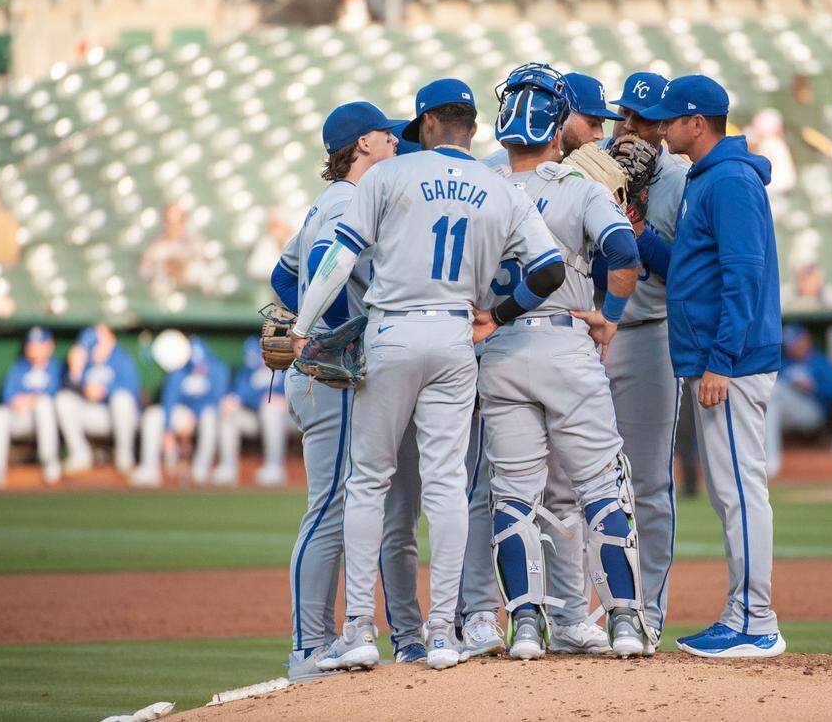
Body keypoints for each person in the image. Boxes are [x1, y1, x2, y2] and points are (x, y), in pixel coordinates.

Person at [290, 79, 564, 671]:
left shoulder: (388, 177)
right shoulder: (499, 187)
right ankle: (444, 633)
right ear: (470, 125)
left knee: (369, 483)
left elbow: (338, 256)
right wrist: (500, 314)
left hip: (392, 330)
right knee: (446, 486)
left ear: (429, 124)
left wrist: (303, 324)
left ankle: (361, 628)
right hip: (455, 333)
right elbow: (548, 269)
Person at [472, 63, 647, 659]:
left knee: (515, 495)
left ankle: (524, 626)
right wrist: (611, 314)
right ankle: (623, 620)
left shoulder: (481, 189)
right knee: (602, 485)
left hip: (496, 351)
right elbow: (624, 249)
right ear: (556, 129)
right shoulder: (578, 187)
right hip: (565, 340)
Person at [270, 101, 430, 678]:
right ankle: (310, 646)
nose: (394, 143)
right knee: (331, 510)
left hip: (326, 374)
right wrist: (328, 336)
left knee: (352, 506)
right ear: (362, 145)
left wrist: (302, 319)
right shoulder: (349, 201)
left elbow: (284, 274)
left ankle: (338, 640)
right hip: (329, 376)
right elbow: (323, 270)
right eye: (386, 136)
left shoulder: (328, 202)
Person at [636, 74, 786, 658]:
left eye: (671, 121)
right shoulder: (712, 177)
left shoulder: (728, 181)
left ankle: (756, 620)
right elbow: (693, 267)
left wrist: (720, 360)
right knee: (731, 491)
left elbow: (743, 275)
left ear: (698, 124)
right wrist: (643, 238)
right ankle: (745, 613)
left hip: (734, 362)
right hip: (719, 358)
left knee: (739, 490)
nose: (663, 129)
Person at [598, 70, 689, 648]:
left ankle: (648, 610)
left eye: (647, 120)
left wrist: (638, 234)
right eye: (626, 116)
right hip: (591, 333)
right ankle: (589, 612)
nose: (633, 128)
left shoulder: (681, 178)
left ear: (666, 127)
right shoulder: (592, 169)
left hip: (652, 332)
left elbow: (689, 266)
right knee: (583, 483)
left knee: (651, 484)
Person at [130, 336, 229, 488]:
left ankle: (200, 470)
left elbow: (217, 400)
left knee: (210, 415)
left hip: (204, 415)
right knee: (152, 415)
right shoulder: (179, 370)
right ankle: (150, 469)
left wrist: (194, 414)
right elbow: (169, 400)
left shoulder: (217, 369)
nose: (198, 368)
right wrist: (168, 430)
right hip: (183, 414)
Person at [482, 71, 623, 169]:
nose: (600, 135)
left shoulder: (595, 165)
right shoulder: (495, 165)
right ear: (563, 115)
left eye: (601, 124)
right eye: (592, 123)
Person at [55, 324, 140, 474]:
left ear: (111, 340)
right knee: (63, 400)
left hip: (120, 417)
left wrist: (104, 391)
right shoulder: (83, 359)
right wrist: (75, 374)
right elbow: (65, 386)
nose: (95, 349)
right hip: (93, 415)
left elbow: (132, 389)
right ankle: (80, 455)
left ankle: (124, 457)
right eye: (91, 346)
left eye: (98, 344)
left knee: (121, 399)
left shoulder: (121, 357)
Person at [0, 327, 63, 488]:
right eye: (31, 344)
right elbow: (8, 396)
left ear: (49, 345)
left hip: (47, 420)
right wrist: (22, 402)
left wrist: (31, 399)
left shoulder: (57, 367)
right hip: (21, 418)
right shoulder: (19, 367)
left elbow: (57, 395)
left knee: (44, 404)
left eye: (38, 344)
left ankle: (49, 463)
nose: (33, 348)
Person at [213, 337, 295, 488]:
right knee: (228, 413)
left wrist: (285, 400)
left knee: (271, 408)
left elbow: (297, 394)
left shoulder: (284, 368)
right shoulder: (246, 373)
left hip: (288, 419)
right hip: (258, 418)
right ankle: (228, 467)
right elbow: (240, 396)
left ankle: (274, 467)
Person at [764, 326, 832, 478]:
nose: (793, 346)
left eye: (795, 341)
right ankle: (769, 463)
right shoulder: (785, 364)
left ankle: (771, 461)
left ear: (806, 339)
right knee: (771, 405)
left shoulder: (820, 362)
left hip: (814, 411)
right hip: (787, 413)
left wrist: (813, 387)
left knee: (775, 390)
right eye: (790, 343)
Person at [139, 203, 215, 300]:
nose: (173, 226)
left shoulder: (196, 243)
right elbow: (145, 272)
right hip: (165, 298)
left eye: (178, 221)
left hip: (195, 297)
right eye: (169, 221)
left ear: (184, 220)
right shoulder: (156, 247)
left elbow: (207, 275)